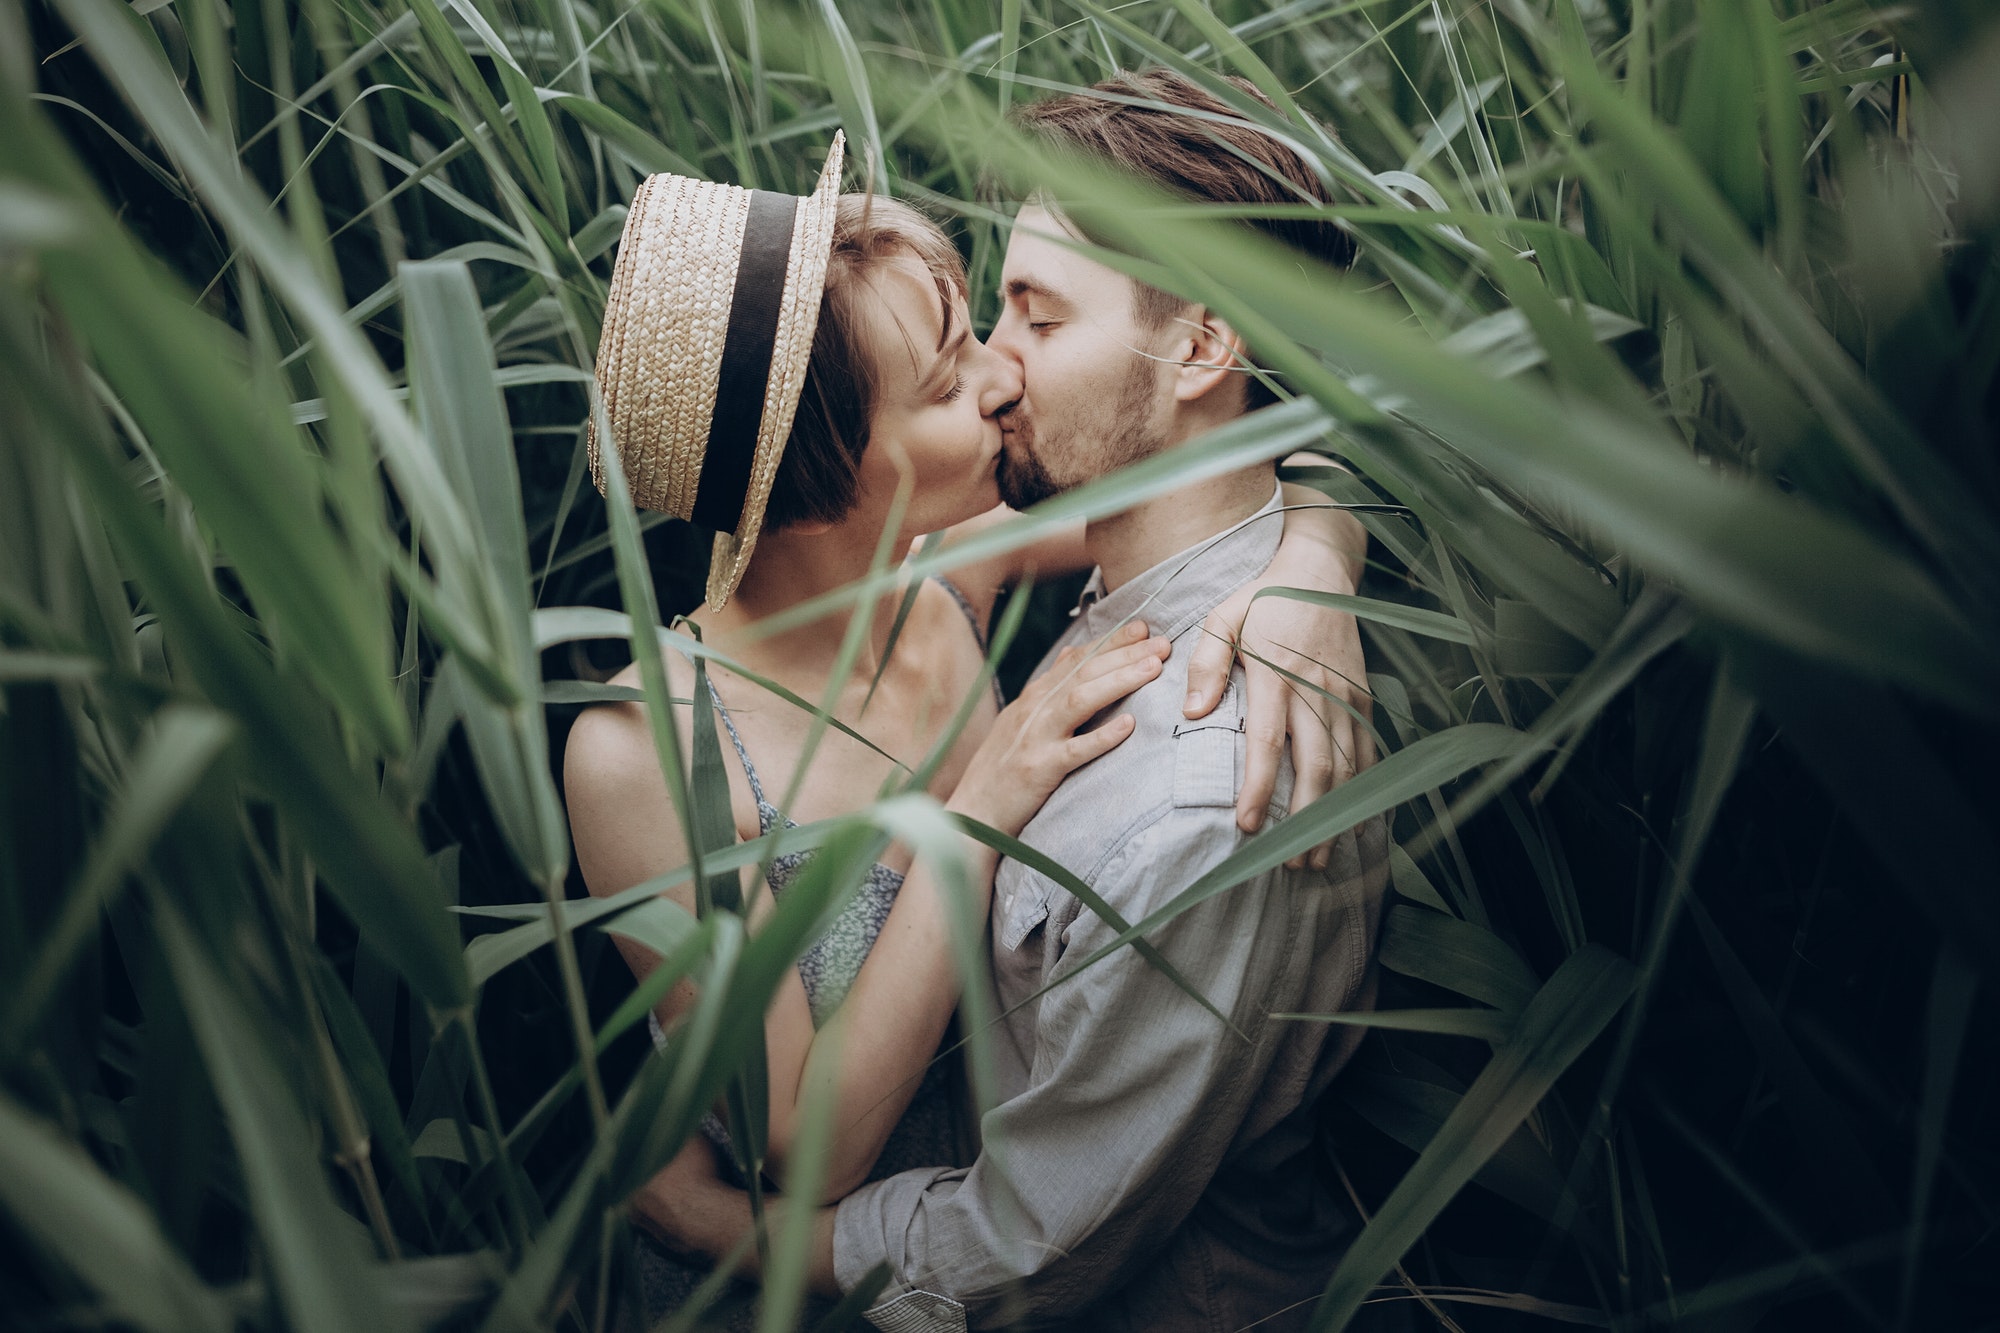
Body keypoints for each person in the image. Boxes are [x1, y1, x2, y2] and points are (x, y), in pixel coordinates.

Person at [563, 125, 1372, 1327]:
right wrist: (972, 810)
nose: (996, 381)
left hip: (1006, 1220)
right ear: (826, 470)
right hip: (795, 1272)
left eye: (1004, 332)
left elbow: (1218, 476)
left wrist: (1315, 567)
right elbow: (803, 1141)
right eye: (946, 383)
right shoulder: (645, 752)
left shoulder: (946, 560)